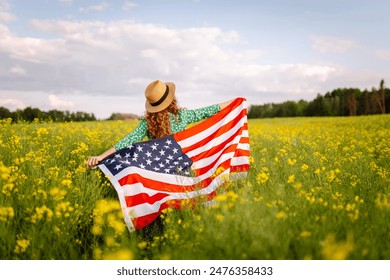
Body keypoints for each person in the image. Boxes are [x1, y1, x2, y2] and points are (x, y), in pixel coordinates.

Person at [86, 79, 234, 169]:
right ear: (171, 99)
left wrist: (101, 157)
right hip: (183, 163)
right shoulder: (182, 116)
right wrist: (236, 102)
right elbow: (208, 110)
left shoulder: (148, 122)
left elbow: (128, 140)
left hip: (157, 164)